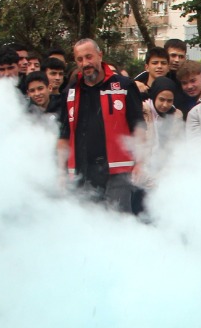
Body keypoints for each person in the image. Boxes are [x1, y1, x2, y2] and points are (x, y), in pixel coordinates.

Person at [58, 38, 144, 212]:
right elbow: (64, 135)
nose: (85, 63)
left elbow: (139, 127)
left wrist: (141, 162)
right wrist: (61, 172)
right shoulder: (70, 92)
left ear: (100, 55)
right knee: (88, 225)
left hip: (119, 170)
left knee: (118, 223)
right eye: (80, 59)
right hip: (83, 171)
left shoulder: (124, 85)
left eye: (89, 57)